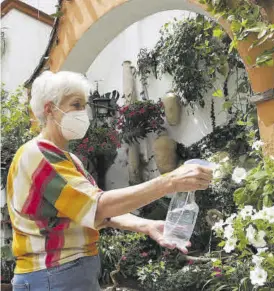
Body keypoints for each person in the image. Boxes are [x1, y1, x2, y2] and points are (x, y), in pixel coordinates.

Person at [7, 71, 213, 291]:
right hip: (53, 275)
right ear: (49, 109)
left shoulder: (65, 158)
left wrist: (146, 224)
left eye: (84, 105)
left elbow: (95, 210)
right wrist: (170, 181)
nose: (83, 113)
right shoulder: (39, 156)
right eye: (76, 105)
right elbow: (99, 206)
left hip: (66, 273)